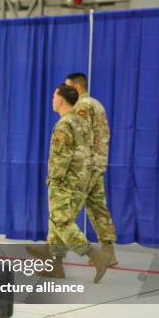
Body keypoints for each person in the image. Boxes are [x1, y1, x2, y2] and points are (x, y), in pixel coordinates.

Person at [28, 85, 111, 283]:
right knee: (55, 223)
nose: (52, 100)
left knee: (61, 222)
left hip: (64, 182)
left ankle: (95, 257)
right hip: (80, 180)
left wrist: (53, 180)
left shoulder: (64, 124)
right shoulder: (81, 122)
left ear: (62, 100)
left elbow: (61, 157)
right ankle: (55, 266)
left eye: (53, 96)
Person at [65, 72, 118, 265]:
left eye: (68, 87)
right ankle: (108, 251)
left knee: (65, 209)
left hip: (85, 167)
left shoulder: (82, 106)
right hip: (97, 164)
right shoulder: (96, 104)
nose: (64, 91)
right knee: (97, 208)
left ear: (77, 88)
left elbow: (80, 137)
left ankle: (54, 257)